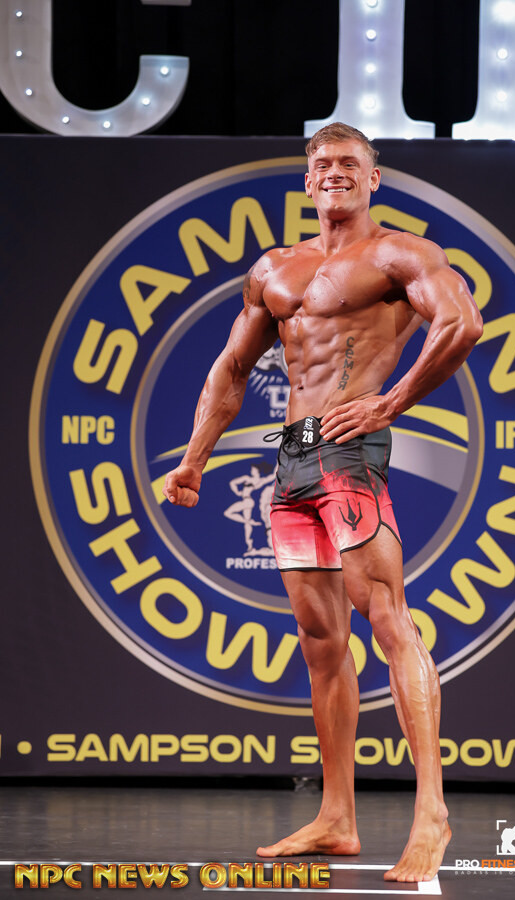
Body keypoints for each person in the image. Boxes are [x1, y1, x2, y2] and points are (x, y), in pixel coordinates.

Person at [163, 122, 483, 883]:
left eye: (350, 164)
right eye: (323, 164)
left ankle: (432, 814)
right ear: (307, 182)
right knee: (320, 641)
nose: (335, 172)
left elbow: (462, 322)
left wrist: (392, 402)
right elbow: (231, 368)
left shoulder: (399, 254)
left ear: (373, 180)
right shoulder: (274, 269)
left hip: (348, 451)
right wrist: (194, 458)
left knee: (388, 621)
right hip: (293, 460)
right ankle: (337, 818)